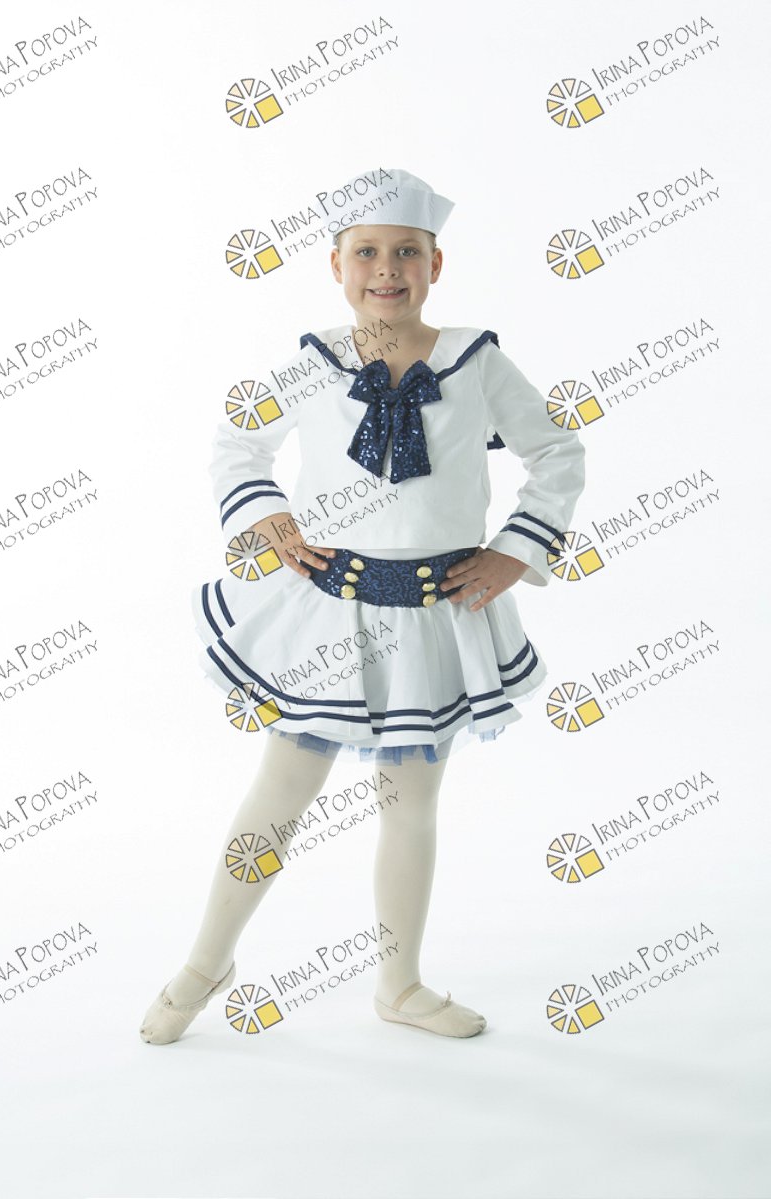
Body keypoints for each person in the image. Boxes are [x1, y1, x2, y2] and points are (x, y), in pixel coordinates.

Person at [139, 168, 585, 1044]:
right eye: (368, 252)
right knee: (278, 793)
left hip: (433, 621)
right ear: (337, 265)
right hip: (328, 617)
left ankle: (400, 983)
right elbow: (238, 441)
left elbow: (558, 451)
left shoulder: (476, 362)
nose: (388, 269)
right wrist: (266, 514)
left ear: (435, 264)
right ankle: (205, 961)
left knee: (410, 806)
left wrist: (515, 548)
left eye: (407, 253)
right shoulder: (313, 365)